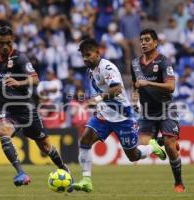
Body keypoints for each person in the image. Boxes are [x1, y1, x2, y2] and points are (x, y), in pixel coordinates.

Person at [0, 26, 70, 187]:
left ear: (13, 41)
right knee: (3, 132)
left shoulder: (20, 58)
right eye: (2, 43)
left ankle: (63, 168)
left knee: (45, 147)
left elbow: (36, 79)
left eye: (8, 43)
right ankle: (21, 172)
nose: (5, 47)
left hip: (26, 110)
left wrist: (19, 82)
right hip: (7, 109)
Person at [73, 38, 166, 193]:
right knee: (85, 140)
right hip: (103, 115)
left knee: (134, 155)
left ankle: (152, 147)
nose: (85, 59)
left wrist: (96, 99)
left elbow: (116, 89)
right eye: (83, 56)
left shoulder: (108, 68)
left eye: (88, 55)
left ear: (97, 52)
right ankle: (86, 180)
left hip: (122, 117)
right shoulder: (91, 71)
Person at [131, 29, 185, 192]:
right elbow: (135, 85)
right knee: (141, 146)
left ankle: (178, 182)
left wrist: (148, 83)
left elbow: (171, 87)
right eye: (141, 40)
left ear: (155, 42)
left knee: (169, 145)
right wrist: (134, 98)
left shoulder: (164, 62)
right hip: (147, 111)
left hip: (166, 108)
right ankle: (157, 145)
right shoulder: (134, 63)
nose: (143, 43)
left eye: (147, 40)